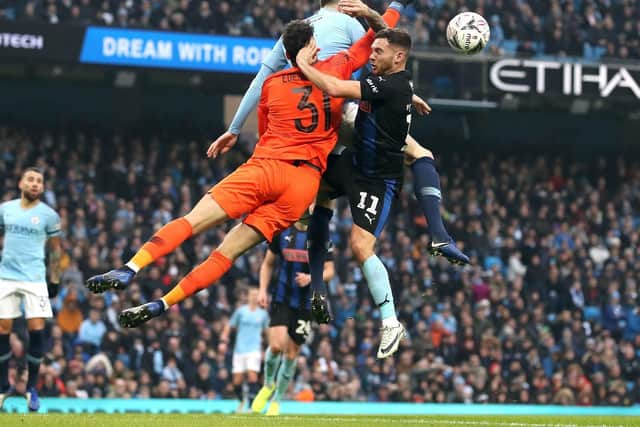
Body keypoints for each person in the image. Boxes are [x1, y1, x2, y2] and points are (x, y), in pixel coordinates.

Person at [84, 3, 401, 328]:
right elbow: (380, 35)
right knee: (227, 252)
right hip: (301, 185)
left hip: (265, 167)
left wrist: (237, 129)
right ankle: (163, 303)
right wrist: (392, 7)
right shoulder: (338, 67)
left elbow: (264, 132)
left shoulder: (273, 84)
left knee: (191, 221)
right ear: (313, 46)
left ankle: (131, 268)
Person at [209, 0, 469, 280]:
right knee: (420, 154)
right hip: (337, 110)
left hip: (300, 126)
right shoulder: (348, 23)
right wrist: (401, 87)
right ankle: (439, 234)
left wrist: (234, 129)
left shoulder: (293, 33)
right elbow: (381, 53)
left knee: (320, 191)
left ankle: (305, 226)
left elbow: (259, 82)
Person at [294, 22, 417, 358]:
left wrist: (302, 63)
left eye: (380, 51)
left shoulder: (390, 86)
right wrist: (366, 13)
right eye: (372, 49)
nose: (372, 55)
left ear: (399, 56)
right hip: (354, 162)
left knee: (361, 247)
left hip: (376, 180)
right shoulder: (393, 84)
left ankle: (390, 322)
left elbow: (334, 87)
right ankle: (317, 281)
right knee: (313, 181)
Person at [251, 211, 335, 416]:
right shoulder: (281, 232)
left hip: (306, 304)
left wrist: (311, 278)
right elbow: (268, 263)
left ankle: (277, 400)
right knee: (276, 346)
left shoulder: (321, 237)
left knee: (292, 352)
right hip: (282, 298)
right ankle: (268, 385)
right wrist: (262, 289)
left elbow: (330, 270)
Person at [0, 167, 62, 412]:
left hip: (35, 279)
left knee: (37, 330)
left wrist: (54, 279)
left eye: (39, 181)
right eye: (31, 179)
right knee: (3, 329)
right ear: (21, 183)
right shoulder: (5, 210)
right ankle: (3, 386)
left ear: (43, 187)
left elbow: (56, 250)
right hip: (6, 277)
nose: (35, 184)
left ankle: (31, 388)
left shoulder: (49, 215)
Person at [219, 287, 269, 413]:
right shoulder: (241, 312)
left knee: (252, 376)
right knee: (237, 381)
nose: (253, 297)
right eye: (252, 294)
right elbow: (229, 326)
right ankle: (241, 400)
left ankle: (252, 406)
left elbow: (267, 333)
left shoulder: (263, 314)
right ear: (248, 296)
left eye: (256, 295)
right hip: (240, 349)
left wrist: (268, 348)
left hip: (254, 349)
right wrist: (223, 341)